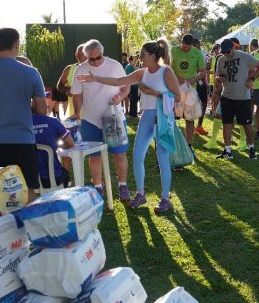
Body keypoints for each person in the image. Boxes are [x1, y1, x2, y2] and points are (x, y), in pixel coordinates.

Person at [77, 40, 180, 213]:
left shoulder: (166, 72)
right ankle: (140, 194)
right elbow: (119, 81)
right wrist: (95, 78)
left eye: (142, 54)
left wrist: (155, 93)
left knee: (162, 158)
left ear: (152, 56)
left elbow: (177, 96)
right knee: (137, 156)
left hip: (162, 118)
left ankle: (165, 198)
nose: (139, 57)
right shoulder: (141, 73)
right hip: (146, 117)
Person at [0, 29, 47, 204]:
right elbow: (42, 110)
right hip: (22, 140)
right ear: (17, 44)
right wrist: (24, 105)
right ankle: (27, 221)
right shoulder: (32, 73)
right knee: (27, 189)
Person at [71, 40, 131, 201]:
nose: (96, 62)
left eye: (99, 58)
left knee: (119, 154)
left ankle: (123, 186)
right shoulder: (80, 69)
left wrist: (121, 97)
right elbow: (77, 95)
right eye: (92, 59)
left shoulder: (115, 65)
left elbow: (126, 86)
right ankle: (98, 188)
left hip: (114, 118)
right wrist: (77, 113)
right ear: (86, 57)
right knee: (94, 155)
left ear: (102, 53)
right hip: (90, 120)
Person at [213, 38, 259, 161]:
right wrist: (218, 79)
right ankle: (227, 151)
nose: (226, 54)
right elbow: (218, 76)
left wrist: (251, 79)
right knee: (226, 124)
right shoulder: (221, 60)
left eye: (228, 51)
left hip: (242, 97)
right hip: (226, 97)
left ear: (233, 48)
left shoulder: (244, 56)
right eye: (224, 52)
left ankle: (251, 149)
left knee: (246, 124)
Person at [170, 34, 207, 146]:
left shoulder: (197, 53)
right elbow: (166, 67)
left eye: (188, 47)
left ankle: (189, 145)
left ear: (192, 45)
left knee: (189, 119)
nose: (185, 49)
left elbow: (203, 71)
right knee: (171, 117)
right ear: (181, 42)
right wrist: (175, 77)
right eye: (184, 47)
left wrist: (194, 79)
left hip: (190, 90)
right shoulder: (173, 50)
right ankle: (171, 143)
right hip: (174, 88)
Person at [33, 109, 75, 189]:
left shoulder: (22, 125)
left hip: (28, 179)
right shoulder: (53, 121)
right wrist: (54, 146)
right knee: (65, 170)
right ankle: (66, 185)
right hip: (53, 177)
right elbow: (70, 144)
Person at [57, 44, 87, 120]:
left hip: (91, 113)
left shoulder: (95, 69)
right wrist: (68, 90)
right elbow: (59, 86)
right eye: (83, 55)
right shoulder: (69, 69)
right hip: (73, 112)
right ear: (77, 55)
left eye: (87, 55)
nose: (86, 58)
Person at [192, 38, 209, 135]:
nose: (198, 48)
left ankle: (199, 125)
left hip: (202, 83)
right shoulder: (190, 56)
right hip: (194, 83)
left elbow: (204, 69)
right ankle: (192, 126)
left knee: (204, 104)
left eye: (199, 46)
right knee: (193, 105)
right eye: (196, 46)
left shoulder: (201, 55)